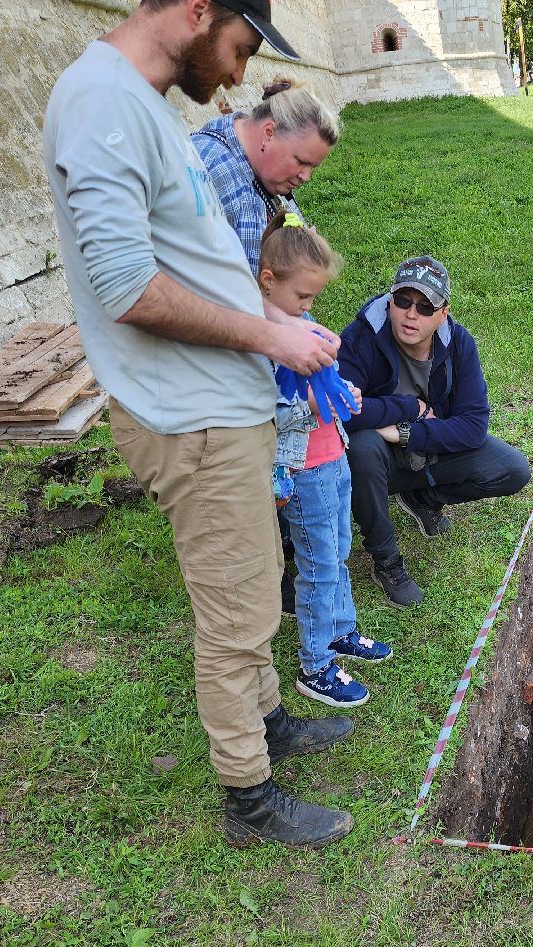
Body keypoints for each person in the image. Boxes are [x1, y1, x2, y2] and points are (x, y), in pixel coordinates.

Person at [44, 0, 354, 850]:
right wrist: (272, 336)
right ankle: (249, 799)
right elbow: (128, 289)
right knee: (237, 621)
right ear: (194, 11)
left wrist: (275, 328)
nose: (241, 75)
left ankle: (271, 725)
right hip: (193, 422)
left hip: (223, 410)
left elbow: (193, 260)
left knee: (248, 598)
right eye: (240, 45)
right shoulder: (101, 101)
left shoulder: (143, 104)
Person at [191, 79, 341, 617]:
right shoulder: (214, 171)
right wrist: (285, 333)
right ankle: (256, 587)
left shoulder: (266, 183)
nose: (302, 178)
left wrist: (299, 326)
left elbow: (262, 280)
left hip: (250, 360)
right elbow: (210, 290)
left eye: (311, 170)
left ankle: (271, 571)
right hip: (210, 379)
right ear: (269, 132)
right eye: (301, 162)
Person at [338, 257, 531, 607]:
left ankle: (423, 499)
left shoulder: (459, 343)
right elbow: (342, 411)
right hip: (376, 459)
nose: (411, 314)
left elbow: (473, 427)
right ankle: (386, 561)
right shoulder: (359, 337)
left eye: (426, 307)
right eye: (403, 301)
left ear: (443, 314)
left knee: (513, 469)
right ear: (389, 300)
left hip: (418, 446)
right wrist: (410, 408)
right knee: (362, 446)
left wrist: (405, 432)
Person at [258, 213, 393, 708]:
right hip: (303, 469)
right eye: (302, 298)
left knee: (337, 549)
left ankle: (340, 631)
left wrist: (345, 393)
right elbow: (268, 414)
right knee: (317, 566)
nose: (309, 308)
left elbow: (326, 378)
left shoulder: (300, 325)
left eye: (313, 299)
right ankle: (315, 664)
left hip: (333, 456)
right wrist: (315, 407)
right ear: (267, 282)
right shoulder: (263, 345)